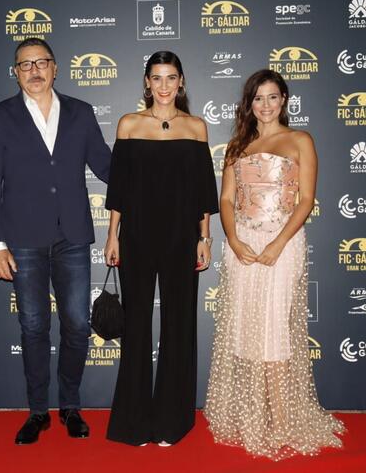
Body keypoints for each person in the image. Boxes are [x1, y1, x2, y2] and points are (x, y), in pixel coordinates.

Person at [204, 69, 344, 460]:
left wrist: (278, 244)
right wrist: (233, 240)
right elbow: (227, 200)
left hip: (283, 244)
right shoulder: (237, 145)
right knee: (247, 332)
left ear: (284, 99)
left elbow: (306, 200)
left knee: (274, 332)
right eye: (257, 98)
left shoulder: (301, 140)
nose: (265, 105)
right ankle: (255, 415)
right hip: (243, 245)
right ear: (249, 104)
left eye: (272, 97)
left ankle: (282, 420)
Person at [0, 37, 111, 445]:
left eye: (41, 62)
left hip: (71, 235)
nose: (34, 70)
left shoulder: (81, 113)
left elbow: (106, 165)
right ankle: (38, 411)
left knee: (77, 323)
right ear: (15, 73)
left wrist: (153, 164)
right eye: (25, 64)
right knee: (33, 326)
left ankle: (70, 404)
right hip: (21, 239)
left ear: (56, 68)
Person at [104, 51, 219, 446]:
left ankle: (172, 421)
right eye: (157, 78)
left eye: (171, 78)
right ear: (147, 83)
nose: (164, 86)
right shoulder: (129, 124)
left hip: (181, 237)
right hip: (135, 236)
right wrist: (113, 234)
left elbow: (205, 193)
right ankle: (133, 423)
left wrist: (204, 239)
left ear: (181, 82)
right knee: (135, 326)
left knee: (179, 326)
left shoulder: (196, 128)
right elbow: (118, 189)